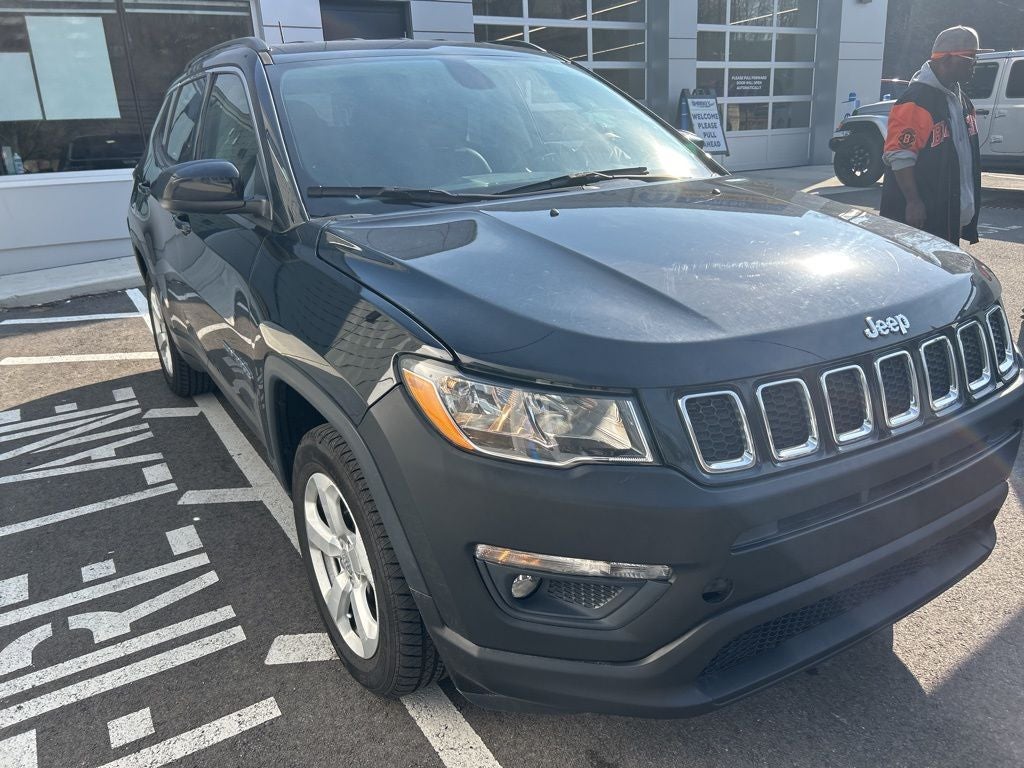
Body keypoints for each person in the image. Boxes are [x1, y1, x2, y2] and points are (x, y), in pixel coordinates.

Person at [879, 26, 990, 245]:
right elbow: (899, 156)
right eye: (969, 58)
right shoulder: (916, 100)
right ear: (946, 59)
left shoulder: (962, 101)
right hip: (921, 219)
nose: (974, 64)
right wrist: (913, 201)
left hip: (949, 214)